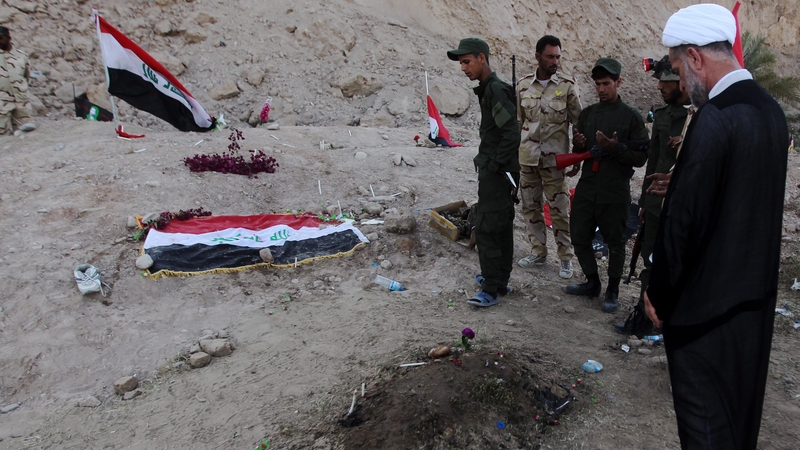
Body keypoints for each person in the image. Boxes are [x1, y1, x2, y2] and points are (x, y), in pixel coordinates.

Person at [645, 4, 788, 449]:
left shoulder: (716, 117)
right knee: (737, 422)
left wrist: (658, 293)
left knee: (706, 428)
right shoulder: (769, 111)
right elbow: (743, 194)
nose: (683, 86)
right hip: (752, 306)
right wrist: (685, 178)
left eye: (677, 70)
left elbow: (684, 224)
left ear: (695, 57)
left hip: (705, 312)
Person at [564, 58, 648, 313]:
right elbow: (580, 147)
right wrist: (578, 145)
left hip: (615, 187)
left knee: (615, 241)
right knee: (578, 235)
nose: (601, 89)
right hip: (588, 185)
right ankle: (592, 282)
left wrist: (616, 148)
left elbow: (641, 157)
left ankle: (612, 289)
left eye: (607, 83)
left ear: (618, 82)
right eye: (598, 84)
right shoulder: (589, 114)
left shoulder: (631, 117)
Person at [614, 55, 690, 335]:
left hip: (685, 205)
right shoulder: (662, 114)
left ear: (682, 83)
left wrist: (689, 139)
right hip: (658, 202)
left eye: (666, 82)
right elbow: (655, 163)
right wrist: (646, 203)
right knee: (652, 258)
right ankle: (647, 316)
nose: (660, 87)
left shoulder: (699, 117)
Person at [447, 38, 520, 307]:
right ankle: (498, 280)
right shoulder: (489, 89)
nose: (463, 68)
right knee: (500, 225)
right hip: (501, 170)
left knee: (488, 228)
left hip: (498, 172)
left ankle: (490, 289)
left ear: (481, 58)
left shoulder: (496, 90)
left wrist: (494, 165)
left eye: (466, 62)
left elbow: (511, 133)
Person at [516, 35, 582, 279]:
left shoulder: (566, 86)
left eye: (558, 57)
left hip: (555, 160)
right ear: (537, 57)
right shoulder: (523, 86)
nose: (555, 61)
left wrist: (576, 157)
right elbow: (520, 123)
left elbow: (579, 124)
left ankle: (565, 258)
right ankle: (538, 251)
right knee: (530, 207)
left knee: (559, 209)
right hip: (528, 159)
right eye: (550, 56)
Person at [0, 26, 36, 135]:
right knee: (3, 135)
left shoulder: (22, 56)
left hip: (21, 101)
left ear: (9, 38)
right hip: (2, 103)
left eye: (0, 38)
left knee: (27, 133)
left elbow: (26, 77)